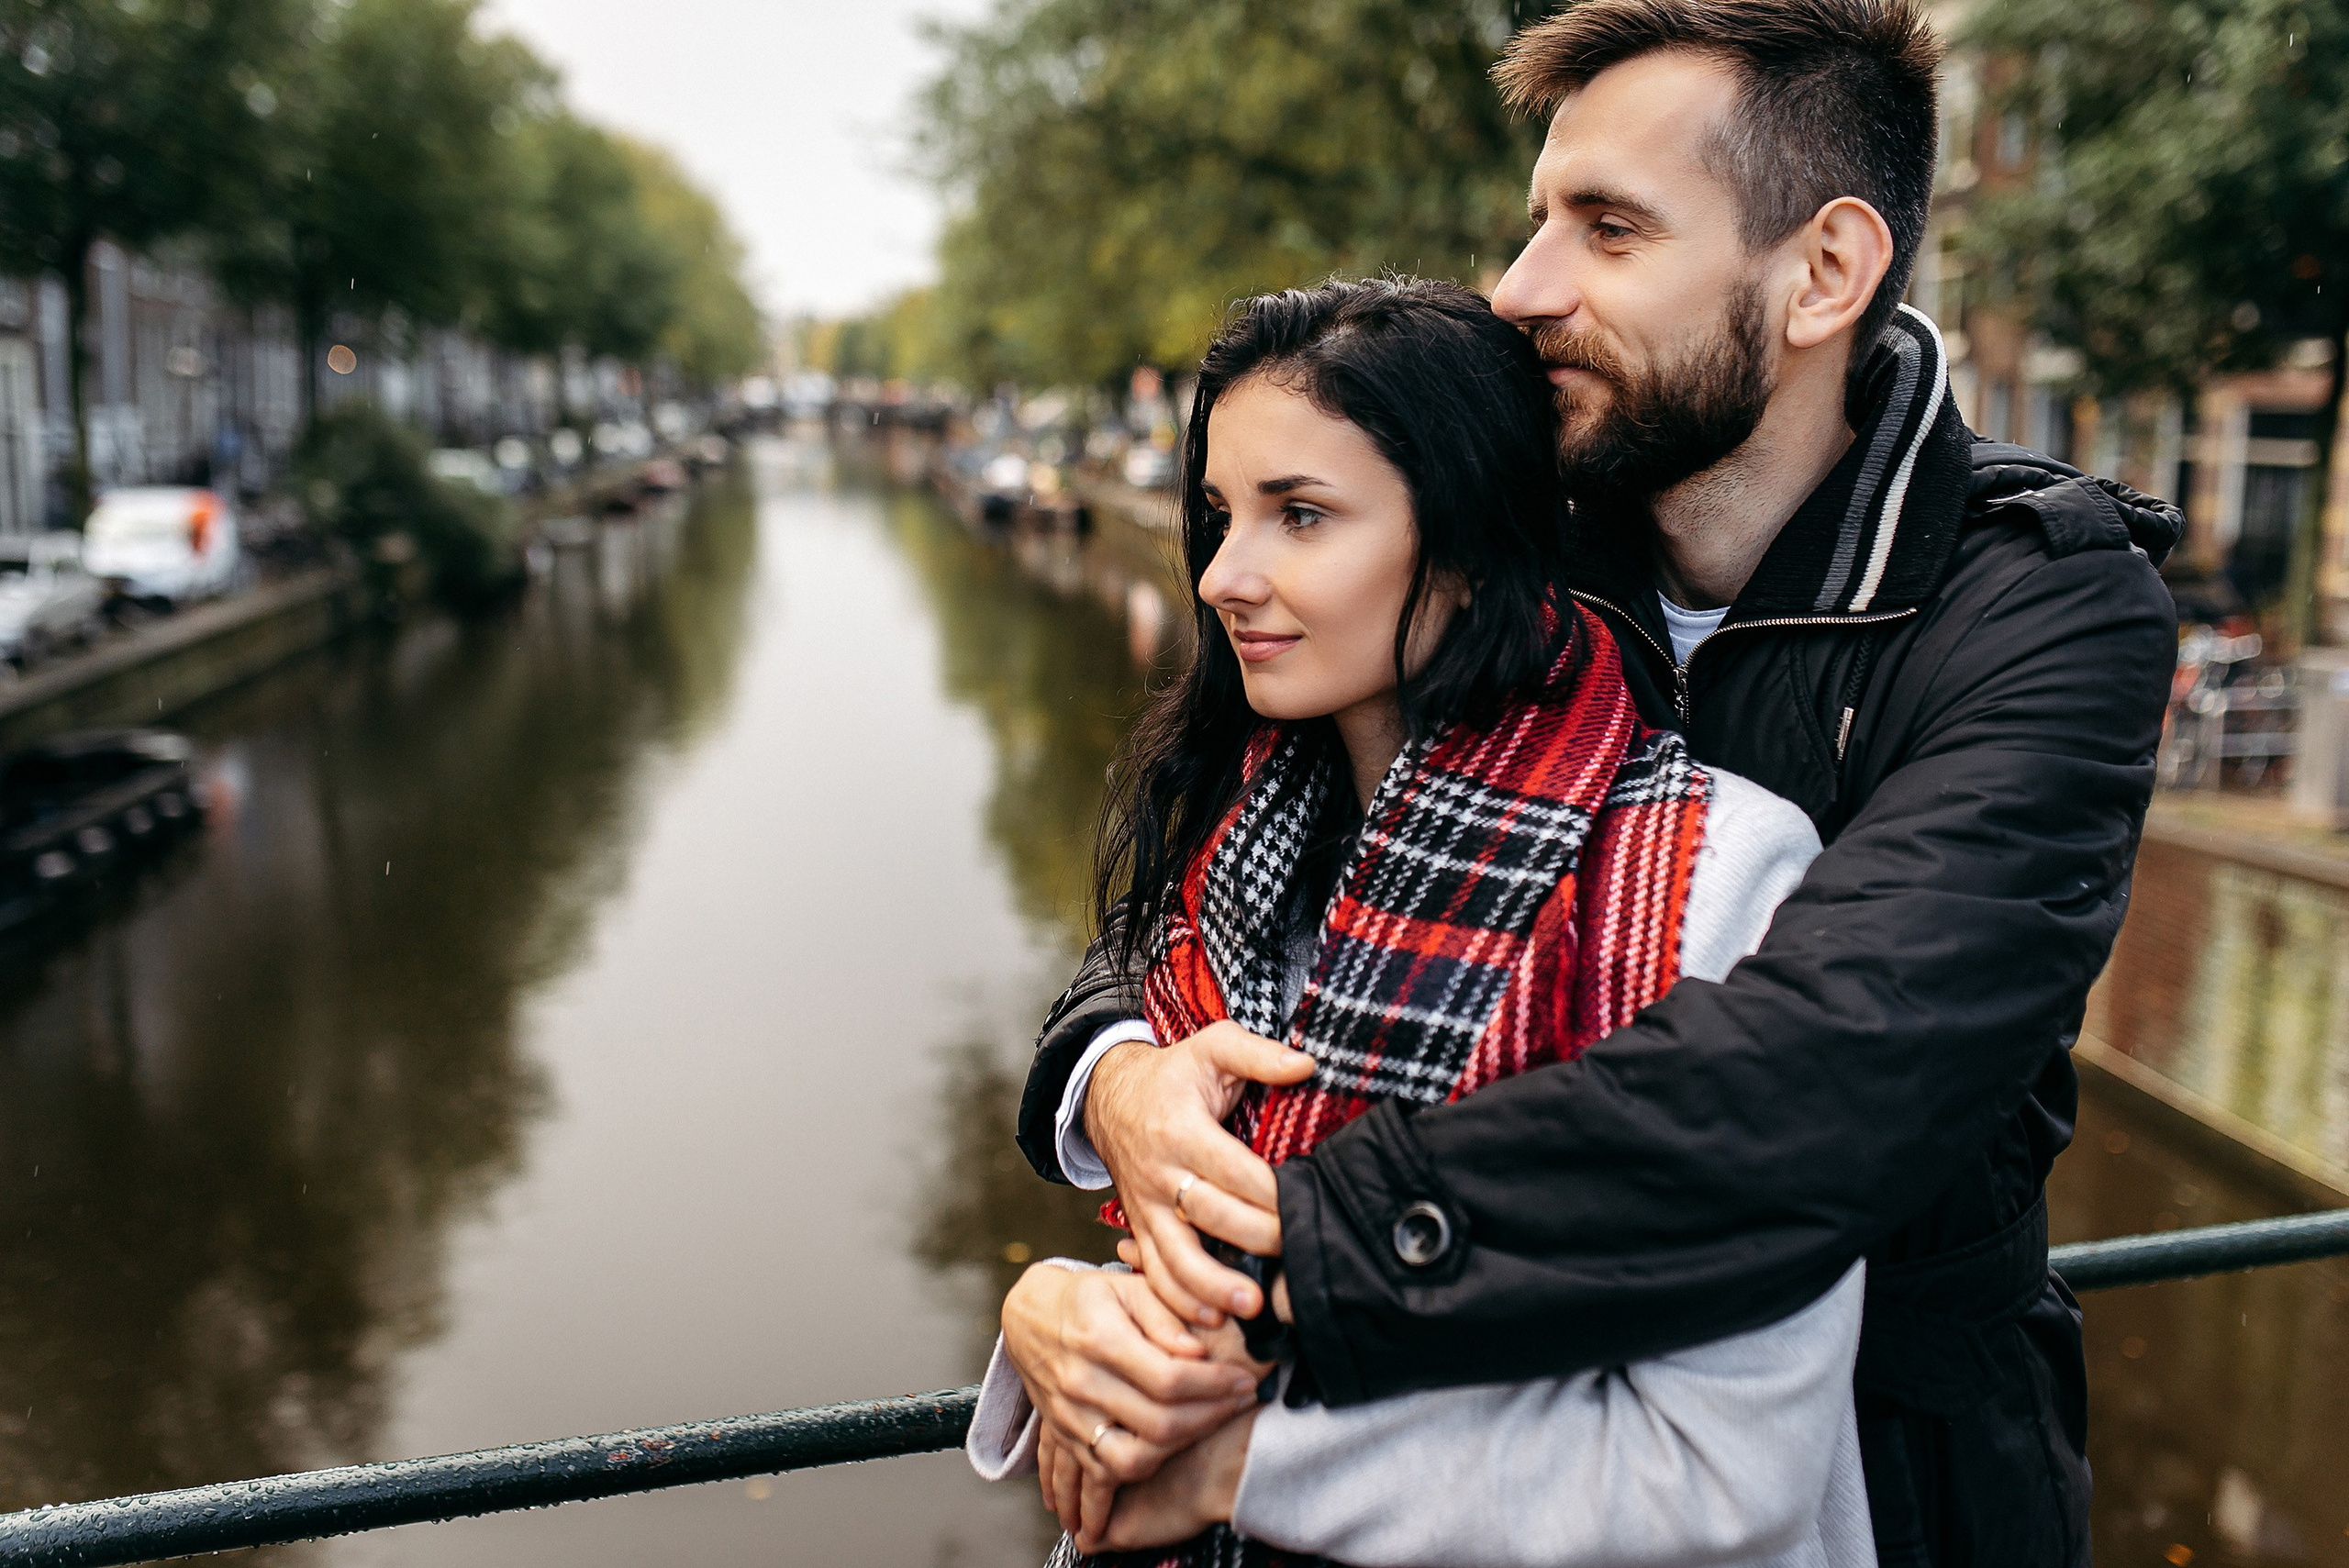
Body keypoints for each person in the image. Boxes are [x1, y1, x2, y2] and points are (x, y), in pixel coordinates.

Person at [1008, 2, 2182, 1564]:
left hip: (1883, 1472)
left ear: (1826, 270)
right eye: (1537, 218)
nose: (1521, 287)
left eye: (1609, 228)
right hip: (1453, 1417)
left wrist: (1280, 1257)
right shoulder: (1522, 541)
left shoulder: (2036, 607)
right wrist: (1120, 1081)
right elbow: (1232, 853)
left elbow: (1826, 1067)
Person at [970, 274, 1875, 1567]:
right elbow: (1227, 1283)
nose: (1227, 575)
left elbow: (1722, 1475)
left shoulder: (1715, 880)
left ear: (1463, 538)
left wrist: (1246, 1466)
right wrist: (1051, 1315)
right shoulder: (1242, 846)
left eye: (1303, 515)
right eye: (1223, 515)